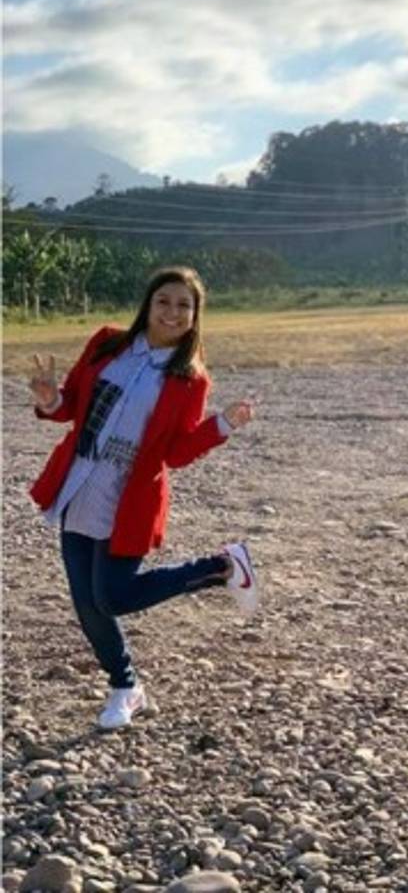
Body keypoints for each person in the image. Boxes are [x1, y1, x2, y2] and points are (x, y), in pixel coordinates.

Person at [29, 265, 261, 731]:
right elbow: (71, 405)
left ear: (195, 316)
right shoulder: (107, 343)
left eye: (183, 305)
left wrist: (221, 425)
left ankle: (222, 566)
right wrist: (51, 399)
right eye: (163, 301)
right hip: (79, 484)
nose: (171, 313)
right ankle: (125, 687)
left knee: (113, 597)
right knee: (87, 605)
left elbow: (175, 453)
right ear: (148, 305)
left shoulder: (191, 379)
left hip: (129, 497)